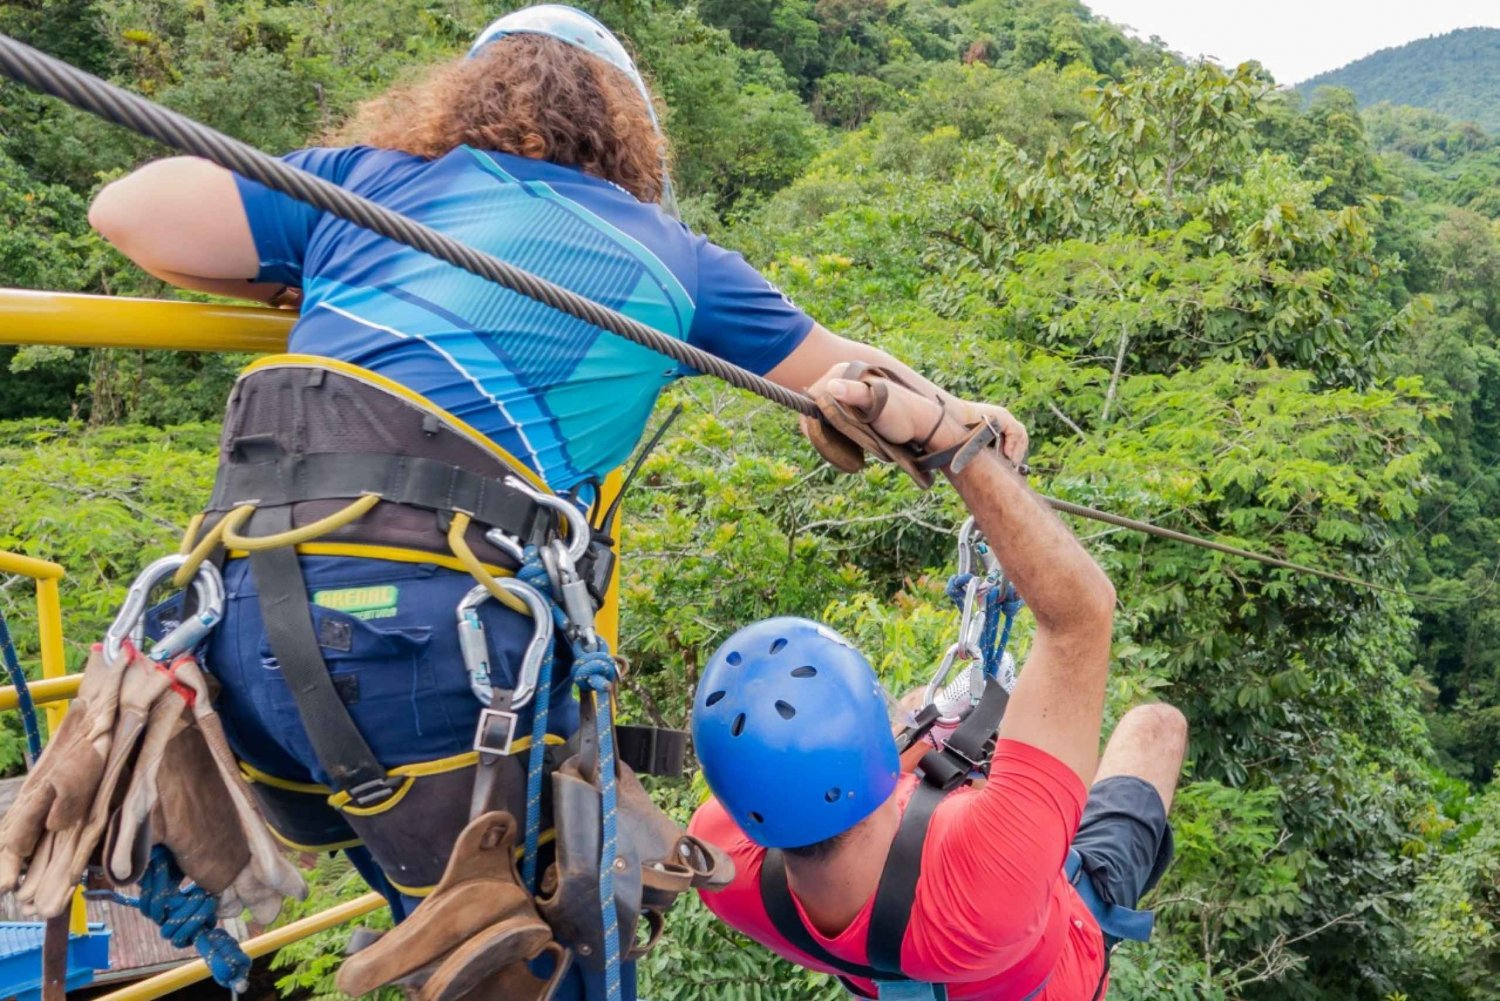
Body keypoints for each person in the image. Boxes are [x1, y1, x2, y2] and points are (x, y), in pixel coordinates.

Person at [86, 6, 996, 999]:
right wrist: (980, 426)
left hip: (234, 633)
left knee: (446, 906)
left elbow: (129, 211)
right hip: (433, 656)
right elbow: (860, 381)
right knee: (562, 950)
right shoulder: (672, 258)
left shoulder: (368, 187)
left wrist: (298, 267)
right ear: (629, 132)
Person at [689, 366, 1189, 999]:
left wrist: (919, 729)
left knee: (933, 716)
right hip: (1055, 947)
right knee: (1156, 726)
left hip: (914, 950)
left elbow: (832, 780)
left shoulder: (722, 858)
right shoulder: (990, 870)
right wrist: (947, 438)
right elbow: (1081, 617)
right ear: (877, 750)